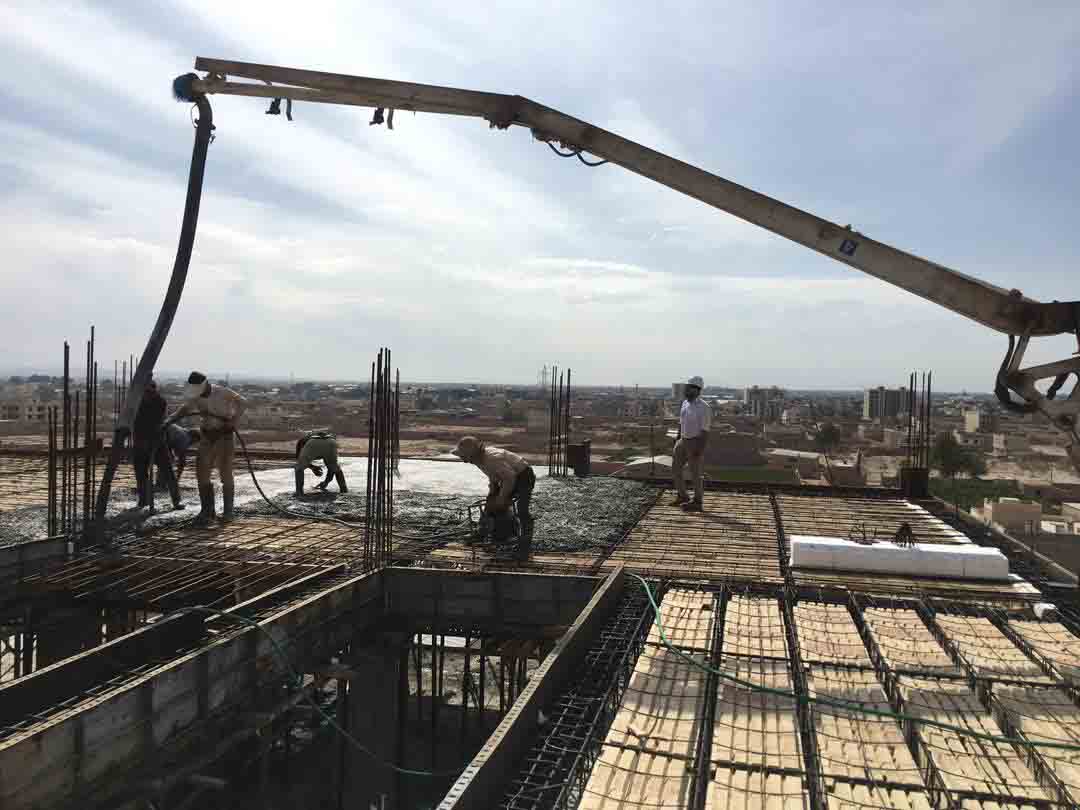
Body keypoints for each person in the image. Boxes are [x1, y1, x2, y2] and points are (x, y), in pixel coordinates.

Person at [164, 371, 248, 525]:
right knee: (202, 473)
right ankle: (207, 511)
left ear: (205, 385)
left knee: (226, 473)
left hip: (225, 436)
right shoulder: (196, 396)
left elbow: (242, 402)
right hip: (207, 436)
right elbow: (185, 409)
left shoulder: (222, 392)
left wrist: (233, 420)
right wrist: (170, 419)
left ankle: (228, 512)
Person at [451, 436, 535, 525]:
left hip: (524, 475)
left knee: (521, 506)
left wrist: (502, 497)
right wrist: (492, 493)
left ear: (472, 455)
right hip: (508, 476)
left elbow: (509, 478)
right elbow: (493, 475)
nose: (463, 459)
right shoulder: (479, 460)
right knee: (492, 500)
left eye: (463, 457)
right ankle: (488, 524)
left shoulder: (492, 459)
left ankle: (522, 526)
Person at [131, 379, 182, 511]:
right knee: (141, 474)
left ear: (154, 390)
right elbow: (133, 422)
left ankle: (176, 501)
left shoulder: (160, 402)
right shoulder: (136, 402)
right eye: (145, 392)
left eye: (150, 392)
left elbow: (157, 423)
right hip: (140, 443)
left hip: (157, 443)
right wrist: (139, 441)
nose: (147, 394)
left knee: (168, 472)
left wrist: (153, 442)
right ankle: (143, 500)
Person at [671, 375, 710, 511]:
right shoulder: (685, 403)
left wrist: (700, 449)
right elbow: (681, 423)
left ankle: (697, 502)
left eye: (688, 388)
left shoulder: (704, 407)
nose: (686, 390)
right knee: (675, 469)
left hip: (695, 442)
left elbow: (705, 431)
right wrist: (677, 440)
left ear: (696, 389)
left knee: (695, 473)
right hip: (682, 441)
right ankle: (683, 496)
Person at [295, 430, 347, 496]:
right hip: (331, 441)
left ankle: (299, 493)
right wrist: (326, 482)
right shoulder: (326, 437)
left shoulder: (302, 441)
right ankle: (344, 490)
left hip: (313, 443)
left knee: (299, 468)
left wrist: (312, 467)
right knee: (335, 468)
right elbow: (331, 469)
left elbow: (298, 459)